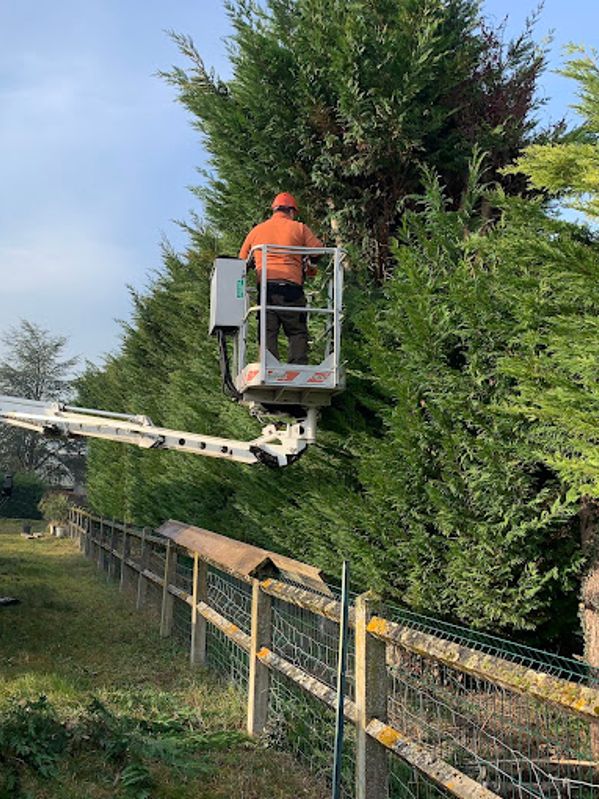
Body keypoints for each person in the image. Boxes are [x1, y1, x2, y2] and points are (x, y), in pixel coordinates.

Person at [239, 192, 322, 365]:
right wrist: (310, 265)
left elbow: (241, 261)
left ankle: (268, 365)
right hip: (292, 288)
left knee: (267, 331)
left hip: (267, 290)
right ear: (291, 211)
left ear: (274, 210)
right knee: (297, 331)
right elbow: (317, 250)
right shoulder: (299, 228)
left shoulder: (257, 231)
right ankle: (298, 365)